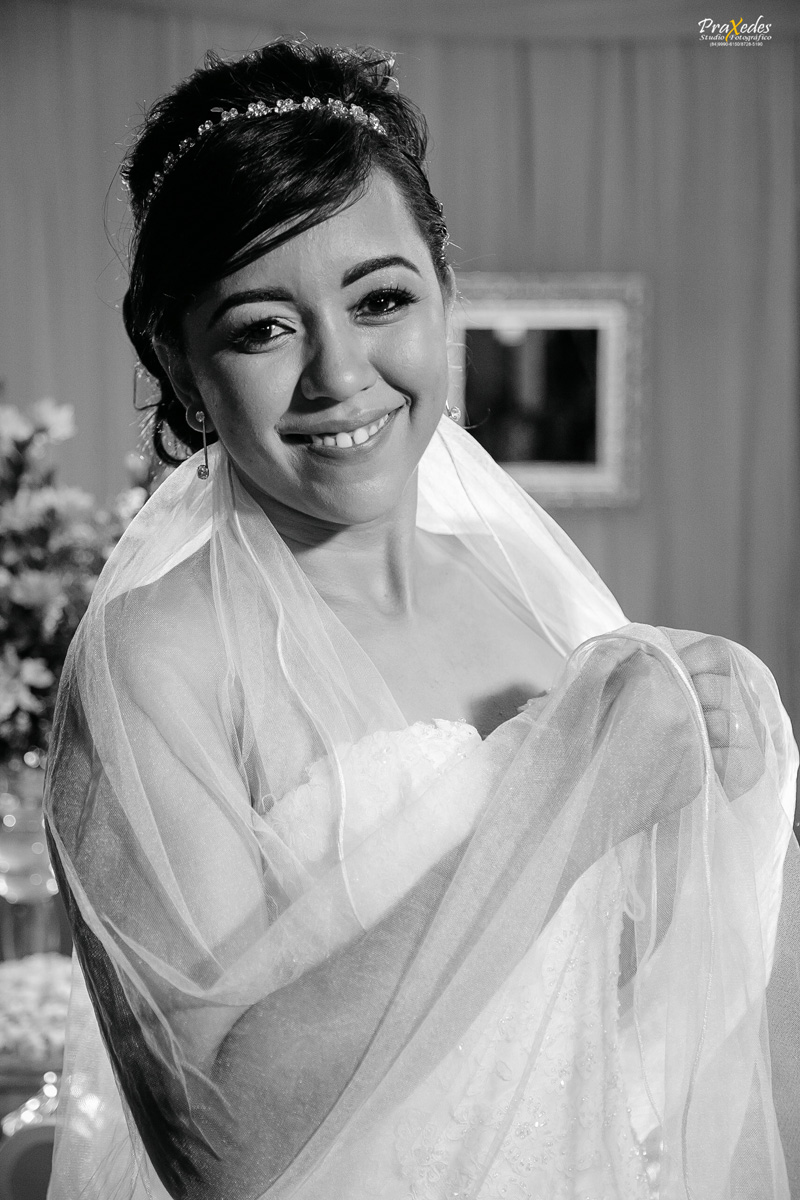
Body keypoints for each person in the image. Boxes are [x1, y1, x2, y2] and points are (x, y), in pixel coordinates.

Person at [43, 40, 800, 1200]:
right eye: (261, 327)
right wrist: (574, 794)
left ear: (444, 291)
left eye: (380, 299)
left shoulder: (524, 588)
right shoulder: (157, 657)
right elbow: (218, 1154)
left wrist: (703, 798)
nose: (338, 374)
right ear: (178, 363)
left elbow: (595, 1011)